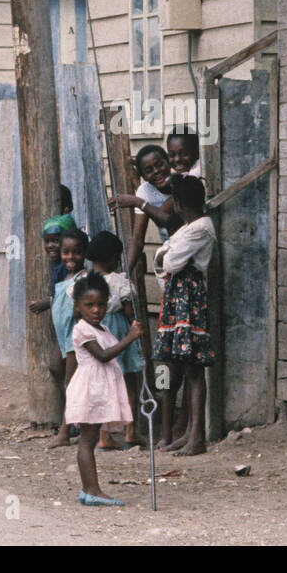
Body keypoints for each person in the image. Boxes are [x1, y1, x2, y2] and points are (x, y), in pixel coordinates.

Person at [64, 271, 143, 506]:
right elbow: (103, 355)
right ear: (78, 307)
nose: (96, 310)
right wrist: (130, 338)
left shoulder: (103, 329)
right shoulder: (82, 329)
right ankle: (92, 490)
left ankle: (90, 489)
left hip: (99, 389)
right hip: (90, 390)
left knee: (89, 439)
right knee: (87, 440)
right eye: (89, 305)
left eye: (100, 304)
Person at [152, 174, 216, 456]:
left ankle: (197, 437)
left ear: (177, 203)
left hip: (189, 301)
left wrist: (165, 255)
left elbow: (170, 260)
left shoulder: (200, 228)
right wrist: (166, 255)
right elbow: (167, 256)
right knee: (188, 367)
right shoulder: (191, 227)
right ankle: (190, 432)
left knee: (194, 368)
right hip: (180, 301)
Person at [87, 230, 144, 448]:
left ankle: (104, 436)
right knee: (128, 380)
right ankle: (130, 431)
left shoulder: (87, 282)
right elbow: (130, 311)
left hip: (97, 331)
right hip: (120, 331)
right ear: (114, 258)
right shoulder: (120, 282)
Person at [109, 145, 183, 276]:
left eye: (160, 165)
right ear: (143, 176)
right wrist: (125, 274)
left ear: (168, 162)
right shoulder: (145, 191)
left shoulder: (181, 182)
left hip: (191, 250)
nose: (156, 171)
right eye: (148, 170)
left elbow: (168, 219)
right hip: (170, 258)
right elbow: (137, 239)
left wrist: (137, 202)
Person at [47, 228, 89, 448]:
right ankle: (77, 422)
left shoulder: (84, 278)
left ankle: (65, 431)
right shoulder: (61, 274)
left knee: (71, 381)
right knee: (56, 368)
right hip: (63, 335)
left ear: (84, 253)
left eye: (76, 253)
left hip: (76, 337)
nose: (70, 257)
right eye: (66, 252)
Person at [28, 213, 79, 316]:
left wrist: (47, 302)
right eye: (47, 241)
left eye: (55, 240)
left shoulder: (69, 267)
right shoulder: (59, 265)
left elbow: (70, 296)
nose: (50, 245)